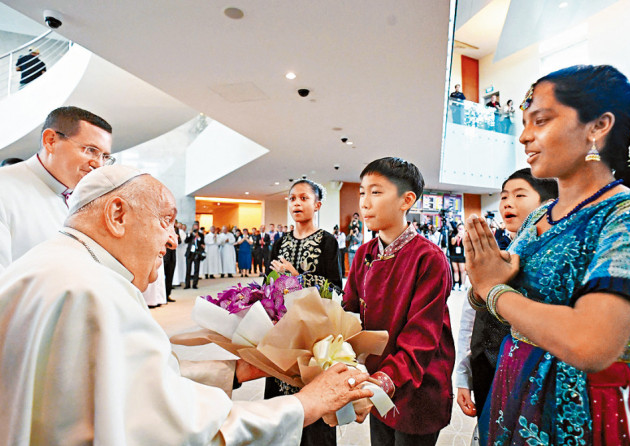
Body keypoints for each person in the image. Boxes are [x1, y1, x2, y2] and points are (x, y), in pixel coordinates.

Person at [0, 165, 375, 445]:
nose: (172, 241)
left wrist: (234, 372)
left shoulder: (47, 265)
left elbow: (132, 382)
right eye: (165, 222)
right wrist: (305, 404)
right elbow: (181, 426)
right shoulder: (96, 292)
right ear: (117, 215)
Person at [465, 65, 630, 445]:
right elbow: (499, 286)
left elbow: (592, 341)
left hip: (595, 402)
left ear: (598, 126)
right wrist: (484, 280)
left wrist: (493, 290)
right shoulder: (536, 220)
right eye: (524, 123)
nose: (525, 137)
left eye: (541, 121)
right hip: (518, 387)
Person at [343, 157, 455, 446]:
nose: (365, 203)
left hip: (416, 385)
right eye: (362, 192)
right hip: (377, 379)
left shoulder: (428, 258)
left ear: (407, 200)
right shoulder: (364, 253)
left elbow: (422, 339)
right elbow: (349, 311)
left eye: (376, 192)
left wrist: (383, 381)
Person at [455, 168, 557, 421]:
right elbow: (471, 320)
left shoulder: (553, 261)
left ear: (548, 204)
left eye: (519, 195)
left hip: (531, 377)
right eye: (503, 196)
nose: (507, 203)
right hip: (486, 368)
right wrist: (462, 374)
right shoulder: (499, 254)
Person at [265, 179, 342, 446]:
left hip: (314, 335)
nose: (297, 203)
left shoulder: (327, 241)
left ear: (317, 204)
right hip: (283, 333)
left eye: (304, 198)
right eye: (292, 198)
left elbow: (336, 290)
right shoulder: (279, 242)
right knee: (281, 409)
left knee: (314, 408)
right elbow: (267, 287)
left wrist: (298, 278)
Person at [0, 106, 113, 273]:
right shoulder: (5, 188)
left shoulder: (82, 198)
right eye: (90, 150)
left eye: (105, 156)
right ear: (51, 141)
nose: (98, 164)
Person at [184, 221, 204, 289]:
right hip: (189, 253)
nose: (196, 227)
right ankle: (187, 284)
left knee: (196, 269)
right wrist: (189, 234)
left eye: (197, 226)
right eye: (195, 226)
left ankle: (195, 284)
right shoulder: (190, 233)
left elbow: (203, 242)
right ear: (193, 227)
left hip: (197, 253)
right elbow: (186, 241)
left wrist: (198, 237)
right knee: (188, 269)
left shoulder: (201, 234)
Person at [450, 223, 467, 290]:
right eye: (459, 229)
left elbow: (465, 244)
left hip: (462, 255)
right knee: (455, 270)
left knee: (462, 270)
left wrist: (462, 237)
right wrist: (457, 236)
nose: (460, 230)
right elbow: (452, 243)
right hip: (454, 254)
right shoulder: (454, 235)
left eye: (461, 229)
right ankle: (456, 284)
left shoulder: (465, 236)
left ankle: (462, 284)